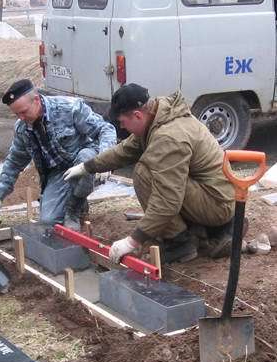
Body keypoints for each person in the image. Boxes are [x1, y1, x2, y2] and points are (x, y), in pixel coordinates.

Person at [64, 83, 236, 263]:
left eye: (123, 122)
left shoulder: (168, 137)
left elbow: (167, 200)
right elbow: (125, 151)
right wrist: (87, 167)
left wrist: (132, 241)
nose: (123, 128)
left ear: (137, 115)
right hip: (216, 194)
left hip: (217, 203)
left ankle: (180, 243)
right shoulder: (158, 115)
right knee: (154, 171)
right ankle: (202, 229)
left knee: (144, 173)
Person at [0, 79, 117, 230]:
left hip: (85, 161)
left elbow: (106, 129)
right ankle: (74, 199)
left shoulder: (69, 108)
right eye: (16, 114)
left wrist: (105, 158)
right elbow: (14, 162)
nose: (21, 117)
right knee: (48, 221)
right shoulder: (22, 128)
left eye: (23, 112)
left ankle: (74, 208)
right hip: (60, 172)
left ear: (36, 100)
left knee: (86, 157)